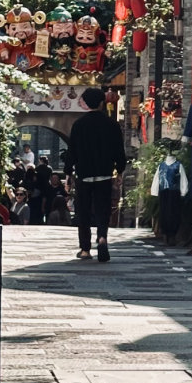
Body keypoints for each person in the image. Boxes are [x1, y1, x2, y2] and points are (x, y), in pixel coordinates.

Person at [64, 87, 126, 261]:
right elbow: (118, 151)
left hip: (84, 175)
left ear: (85, 103)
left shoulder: (78, 125)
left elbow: (72, 152)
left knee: (83, 212)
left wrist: (68, 174)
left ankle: (85, 249)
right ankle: (102, 237)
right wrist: (119, 171)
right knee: (103, 210)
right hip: (104, 175)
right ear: (101, 103)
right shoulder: (111, 124)